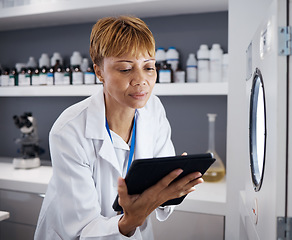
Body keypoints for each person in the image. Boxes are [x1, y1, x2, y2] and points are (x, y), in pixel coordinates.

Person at [34, 16, 203, 240]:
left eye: (149, 67)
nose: (141, 80)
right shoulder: (69, 130)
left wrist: (171, 190)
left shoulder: (153, 108)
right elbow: (82, 229)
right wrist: (130, 219)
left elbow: (162, 178)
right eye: (125, 69)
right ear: (99, 72)